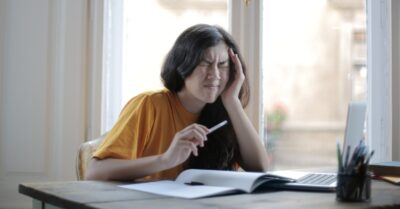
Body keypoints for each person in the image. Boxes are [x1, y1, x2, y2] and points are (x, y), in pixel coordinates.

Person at [85, 24, 269, 181]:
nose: (215, 74)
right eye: (204, 63)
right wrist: (165, 159)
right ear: (183, 65)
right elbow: (94, 173)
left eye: (222, 64)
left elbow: (259, 168)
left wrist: (232, 101)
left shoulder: (225, 111)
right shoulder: (149, 105)